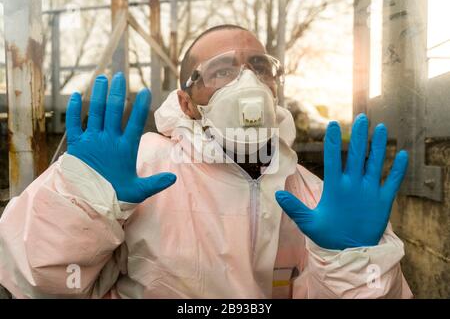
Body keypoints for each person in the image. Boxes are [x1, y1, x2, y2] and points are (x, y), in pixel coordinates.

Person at [0, 24, 412, 298]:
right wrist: (83, 199)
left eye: (258, 67)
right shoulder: (137, 168)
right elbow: (37, 281)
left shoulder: (315, 195)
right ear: (187, 100)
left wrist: (354, 264)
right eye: (222, 71)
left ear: (274, 86)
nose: (246, 81)